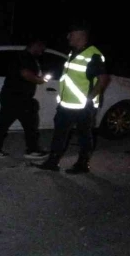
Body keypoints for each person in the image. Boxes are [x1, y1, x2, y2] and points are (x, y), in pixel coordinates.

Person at [36, 22, 110, 174]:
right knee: (59, 134)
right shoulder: (73, 53)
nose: (68, 36)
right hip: (66, 104)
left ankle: (82, 164)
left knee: (84, 135)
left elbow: (103, 80)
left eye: (71, 34)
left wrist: (89, 100)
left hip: (83, 106)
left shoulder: (93, 55)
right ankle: (53, 161)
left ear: (80, 35)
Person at [0, 38, 50, 159]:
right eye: (41, 49)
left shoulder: (21, 56)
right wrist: (40, 80)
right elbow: (25, 73)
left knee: (4, 123)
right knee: (31, 124)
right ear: (35, 45)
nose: (42, 52)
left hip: (11, 95)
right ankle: (32, 150)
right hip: (19, 97)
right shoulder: (25, 57)